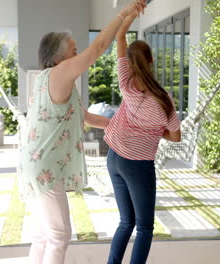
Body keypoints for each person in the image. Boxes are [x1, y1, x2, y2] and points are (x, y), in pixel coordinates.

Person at [18, 1, 147, 263]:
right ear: (58, 57)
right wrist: (123, 15)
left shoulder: (51, 82)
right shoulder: (59, 73)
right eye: (74, 51)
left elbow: (86, 118)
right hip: (45, 167)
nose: (78, 56)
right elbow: (99, 47)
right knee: (59, 234)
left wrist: (125, 126)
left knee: (44, 234)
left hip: (34, 164)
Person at [104, 10, 182, 264]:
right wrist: (158, 130)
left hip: (114, 157)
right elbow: (176, 136)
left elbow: (120, 37)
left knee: (126, 221)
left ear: (130, 62)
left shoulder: (125, 84)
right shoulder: (163, 99)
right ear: (150, 60)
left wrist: (130, 15)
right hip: (137, 164)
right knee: (145, 228)